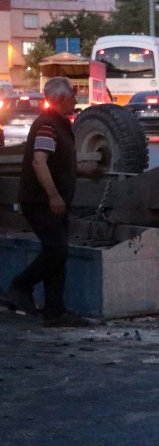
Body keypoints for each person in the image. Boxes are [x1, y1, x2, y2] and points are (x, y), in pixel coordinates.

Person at [6, 77, 101, 326]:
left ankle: (54, 311)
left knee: (55, 252)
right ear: (60, 98)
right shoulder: (48, 125)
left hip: (52, 202)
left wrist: (84, 171)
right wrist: (53, 196)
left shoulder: (58, 124)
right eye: (71, 95)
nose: (74, 99)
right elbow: (40, 161)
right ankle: (20, 286)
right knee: (57, 250)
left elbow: (58, 164)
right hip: (41, 202)